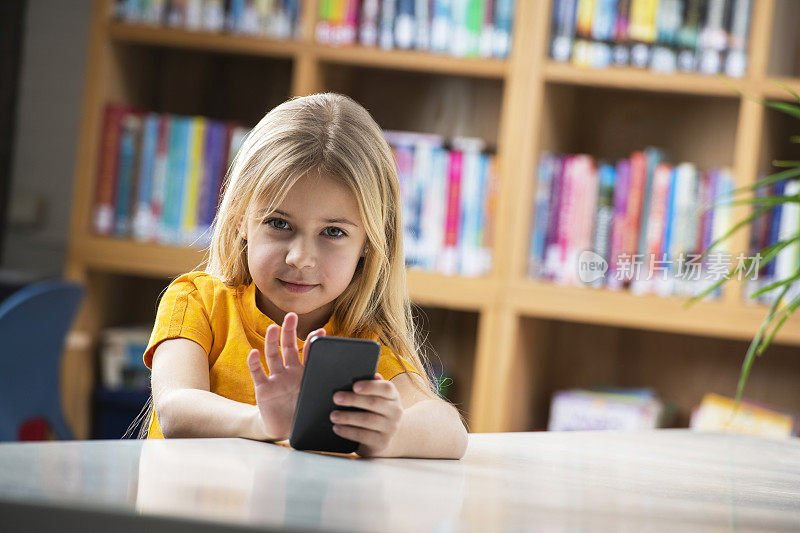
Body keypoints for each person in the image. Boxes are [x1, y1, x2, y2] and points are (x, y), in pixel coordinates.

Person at [139, 93, 468, 459]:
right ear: (240, 220)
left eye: (333, 232)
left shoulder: (363, 341)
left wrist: (387, 434)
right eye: (279, 224)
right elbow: (174, 408)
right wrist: (263, 422)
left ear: (369, 245)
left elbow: (450, 430)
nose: (300, 258)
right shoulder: (196, 302)